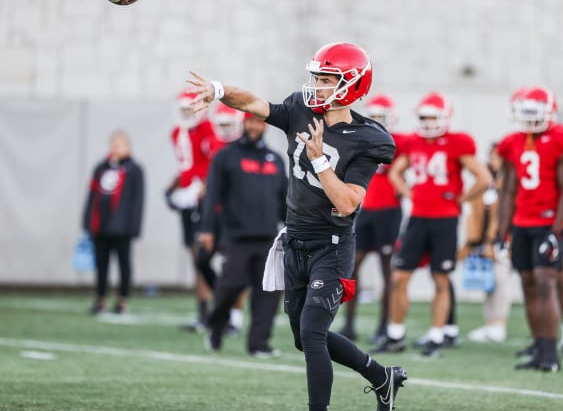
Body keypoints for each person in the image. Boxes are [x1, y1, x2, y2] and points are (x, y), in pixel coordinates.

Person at [187, 42, 407, 411]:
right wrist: (219, 90)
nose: (317, 85)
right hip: (295, 241)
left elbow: (349, 202)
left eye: (325, 79)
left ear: (351, 84)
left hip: (332, 245)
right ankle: (382, 377)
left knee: (312, 332)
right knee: (304, 339)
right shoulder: (300, 109)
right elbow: (255, 104)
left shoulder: (369, 140)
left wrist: (321, 162)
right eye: (317, 77)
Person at [378, 92, 492, 357]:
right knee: (399, 277)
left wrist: (462, 199)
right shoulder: (414, 142)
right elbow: (396, 172)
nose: (428, 123)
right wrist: (409, 193)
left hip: (445, 219)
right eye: (424, 118)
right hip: (418, 217)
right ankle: (395, 334)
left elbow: (484, 178)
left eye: (433, 117)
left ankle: (437, 336)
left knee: (440, 278)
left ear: (445, 118)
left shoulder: (457, 143)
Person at [497, 85, 563, 372]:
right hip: (522, 222)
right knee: (529, 285)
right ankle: (540, 347)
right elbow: (508, 189)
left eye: (536, 112)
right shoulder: (512, 142)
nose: (531, 118)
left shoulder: (562, 140)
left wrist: (557, 231)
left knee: (546, 282)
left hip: (548, 223)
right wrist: (501, 230)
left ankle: (551, 354)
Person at [201, 113, 287, 358]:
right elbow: (212, 196)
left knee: (268, 293)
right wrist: (207, 229)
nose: (254, 126)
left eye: (259, 122)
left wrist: (294, 228)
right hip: (236, 236)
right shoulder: (226, 156)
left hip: (268, 239)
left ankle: (258, 343)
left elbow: (285, 200)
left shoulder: (276, 160)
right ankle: (216, 328)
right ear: (244, 124)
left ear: (264, 126)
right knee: (229, 289)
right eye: (250, 121)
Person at [164, 92, 241, 332]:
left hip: (212, 205)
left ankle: (231, 315)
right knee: (197, 258)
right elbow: (184, 168)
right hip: (191, 202)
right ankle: (204, 313)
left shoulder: (210, 131)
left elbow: (216, 169)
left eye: (191, 110)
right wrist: (173, 189)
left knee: (231, 261)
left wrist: (200, 189)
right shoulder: (177, 133)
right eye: (184, 110)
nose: (187, 115)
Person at [338, 94, 407, 344]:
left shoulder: (401, 142)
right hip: (365, 208)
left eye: (382, 117)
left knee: (386, 268)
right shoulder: (363, 138)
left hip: (389, 210)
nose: (378, 121)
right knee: (352, 264)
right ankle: (349, 322)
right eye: (374, 116)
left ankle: (384, 323)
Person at [83, 130, 144, 314]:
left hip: (122, 228)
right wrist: (87, 221)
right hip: (102, 226)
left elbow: (138, 200)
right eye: (113, 144)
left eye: (119, 145)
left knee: (124, 264)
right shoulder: (101, 167)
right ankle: (100, 298)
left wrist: (134, 227)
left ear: (127, 147)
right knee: (101, 264)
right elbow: (92, 196)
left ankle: (122, 299)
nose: (115, 148)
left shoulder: (134, 169)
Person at [459, 143, 511, 343]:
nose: (495, 161)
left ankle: (499, 323)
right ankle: (491, 323)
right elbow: (475, 214)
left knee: (500, 279)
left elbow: (503, 216)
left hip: (502, 240)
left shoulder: (508, 182)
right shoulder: (486, 183)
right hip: (482, 240)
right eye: (493, 157)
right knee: (489, 282)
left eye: (499, 158)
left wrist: (493, 240)